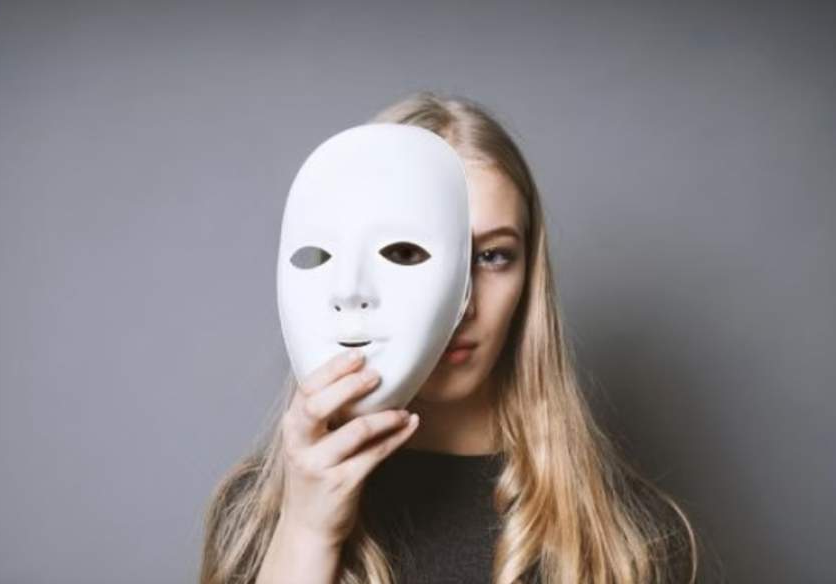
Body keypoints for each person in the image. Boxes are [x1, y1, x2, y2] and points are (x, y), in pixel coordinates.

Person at [200, 91, 699, 584]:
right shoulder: (258, 520)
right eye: (406, 253)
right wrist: (307, 534)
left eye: (491, 256)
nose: (462, 305)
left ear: (529, 276)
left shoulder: (629, 539)